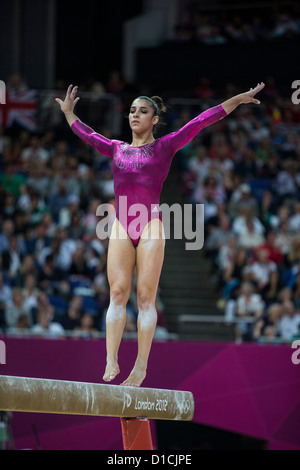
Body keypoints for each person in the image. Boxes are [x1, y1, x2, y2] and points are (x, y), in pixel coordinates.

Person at [55, 82, 265, 387]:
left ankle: (140, 366)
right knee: (117, 293)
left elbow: (201, 120)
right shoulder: (116, 147)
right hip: (121, 224)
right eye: (131, 111)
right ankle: (111, 358)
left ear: (154, 119)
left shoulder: (166, 146)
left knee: (145, 298)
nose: (134, 115)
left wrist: (237, 100)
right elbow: (88, 135)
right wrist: (69, 113)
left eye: (142, 111)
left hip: (151, 222)